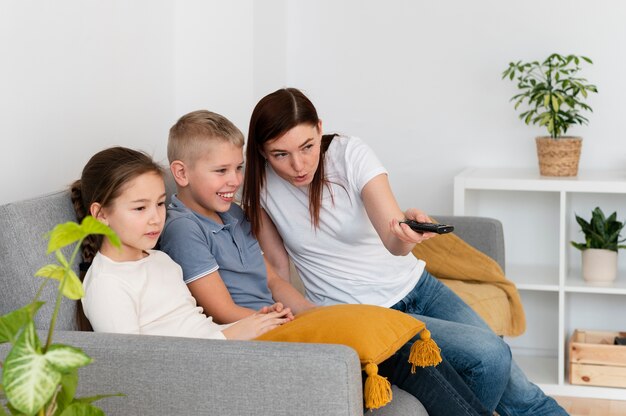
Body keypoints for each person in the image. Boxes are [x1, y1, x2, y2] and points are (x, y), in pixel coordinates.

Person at [241, 87, 569, 416]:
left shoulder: (349, 154)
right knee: (489, 355)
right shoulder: (261, 189)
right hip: (367, 315)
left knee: (520, 390)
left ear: (319, 128)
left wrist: (408, 236)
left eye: (307, 147)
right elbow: (278, 271)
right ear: (263, 152)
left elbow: (393, 241)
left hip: (418, 286)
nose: (298, 165)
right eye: (280, 154)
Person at [159, 109, 491, 416]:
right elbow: (221, 310)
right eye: (221, 171)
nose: (234, 180)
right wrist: (285, 321)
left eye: (238, 168)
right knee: (401, 351)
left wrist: (310, 312)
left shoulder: (233, 214)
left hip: (280, 323)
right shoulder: (183, 228)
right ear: (181, 173)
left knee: (400, 337)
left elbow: (272, 280)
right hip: (254, 338)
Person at [71, 146, 292, 340]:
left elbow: (196, 329)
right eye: (140, 208)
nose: (156, 218)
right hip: (197, 370)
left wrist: (258, 321)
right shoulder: (108, 282)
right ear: (101, 214)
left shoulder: (161, 260)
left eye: (159, 204)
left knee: (315, 328)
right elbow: (133, 367)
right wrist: (232, 335)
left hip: (217, 350)